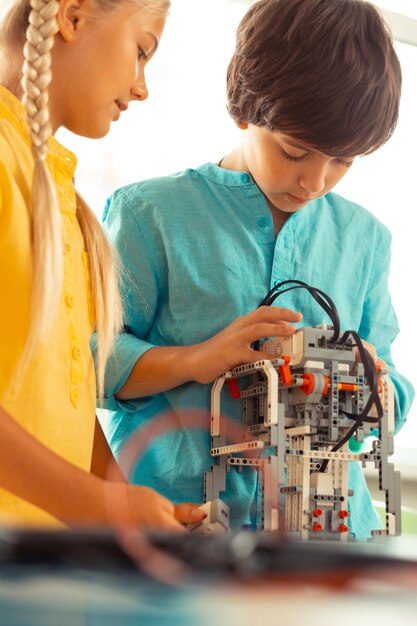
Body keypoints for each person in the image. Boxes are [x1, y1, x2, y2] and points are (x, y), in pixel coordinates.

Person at [99, 0, 415, 539]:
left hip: (326, 536)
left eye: (342, 161)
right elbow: (91, 365)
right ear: (244, 107)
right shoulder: (148, 215)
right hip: (179, 525)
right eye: (295, 151)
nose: (315, 181)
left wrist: (374, 386)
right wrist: (198, 360)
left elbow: (392, 387)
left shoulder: (365, 240)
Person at [0, 0, 206, 530]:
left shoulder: (59, 195)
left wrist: (128, 508)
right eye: (140, 52)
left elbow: (56, 405)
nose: (142, 87)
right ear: (72, 15)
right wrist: (100, 506)